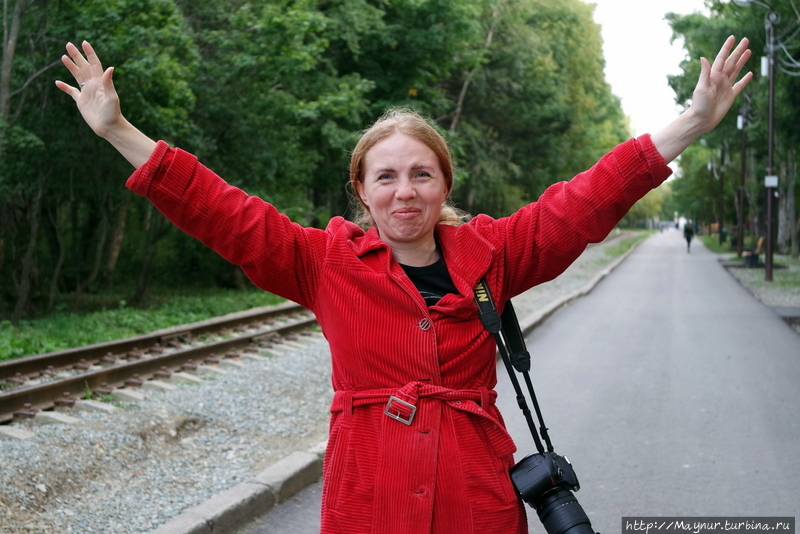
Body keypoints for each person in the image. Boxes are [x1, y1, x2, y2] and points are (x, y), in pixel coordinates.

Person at [56, 36, 752, 534]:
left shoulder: (494, 252)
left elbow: (585, 201)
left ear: (444, 184)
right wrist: (118, 130)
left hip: (475, 499)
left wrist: (691, 122)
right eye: (385, 176)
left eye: (421, 174)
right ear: (361, 190)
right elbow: (222, 210)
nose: (405, 191)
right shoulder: (325, 261)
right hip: (369, 501)